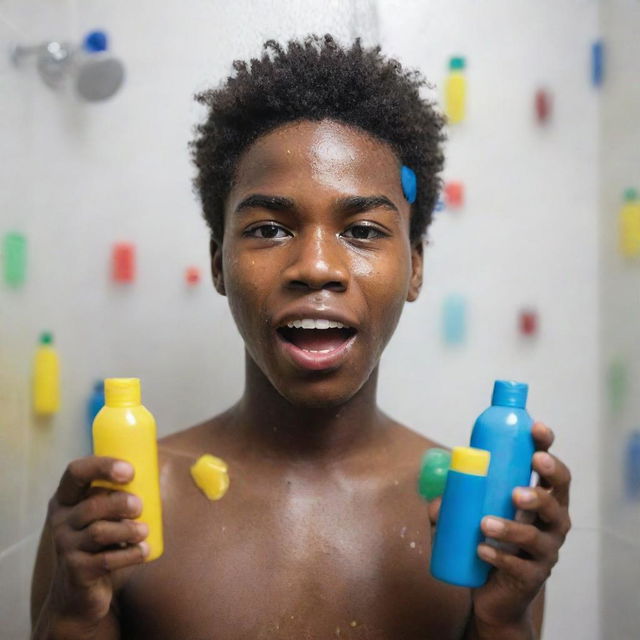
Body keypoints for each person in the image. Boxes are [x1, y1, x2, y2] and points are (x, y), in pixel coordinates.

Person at [30, 34, 571, 639]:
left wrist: (504, 617)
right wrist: (73, 613)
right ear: (218, 263)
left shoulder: (472, 515)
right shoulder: (126, 506)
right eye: (268, 228)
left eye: (364, 231)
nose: (316, 266)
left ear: (416, 265)